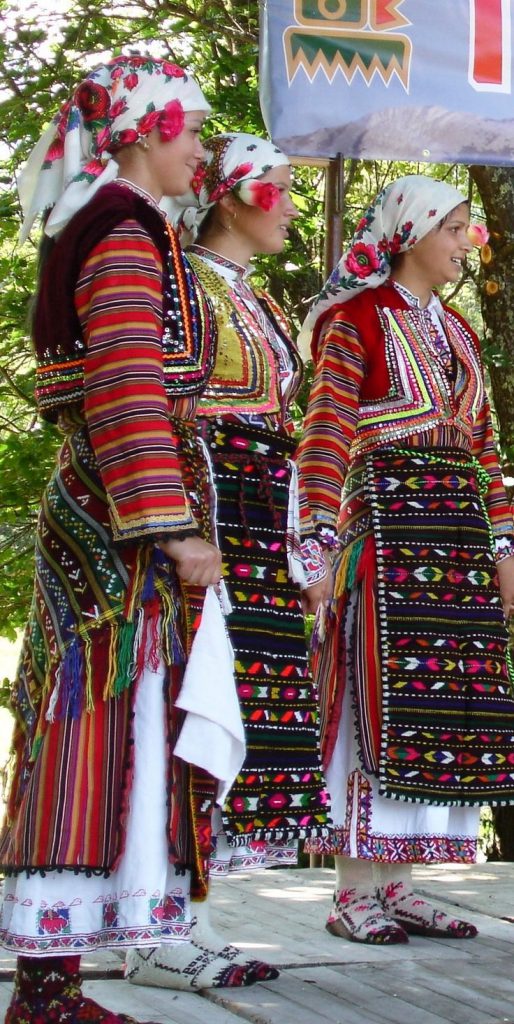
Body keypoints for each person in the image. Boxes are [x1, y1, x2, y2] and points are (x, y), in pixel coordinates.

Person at [0, 56, 280, 1024]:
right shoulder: (121, 231)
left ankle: (55, 982)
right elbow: (126, 384)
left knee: (119, 732)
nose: (201, 150)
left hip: (107, 519)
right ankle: (45, 991)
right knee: (94, 727)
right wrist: (170, 527)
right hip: (122, 537)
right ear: (144, 133)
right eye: (192, 131)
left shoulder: (123, 226)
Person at [129, 130, 331, 969]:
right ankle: (164, 916)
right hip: (213, 518)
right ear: (243, 193)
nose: (293, 205)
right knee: (198, 706)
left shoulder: (262, 301)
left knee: (246, 713)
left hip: (261, 523)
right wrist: (184, 523)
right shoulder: (181, 284)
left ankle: (191, 908)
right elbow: (169, 408)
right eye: (283, 188)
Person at [296, 174, 514, 945]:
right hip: (385, 537)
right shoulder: (355, 320)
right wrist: (315, 545)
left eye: (468, 228)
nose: (465, 243)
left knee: (438, 714)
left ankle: (402, 883)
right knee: (371, 708)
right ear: (412, 231)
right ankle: (355, 890)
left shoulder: (457, 334)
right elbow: (325, 434)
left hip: (456, 545)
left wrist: (504, 543)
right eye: (454, 227)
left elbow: (486, 449)